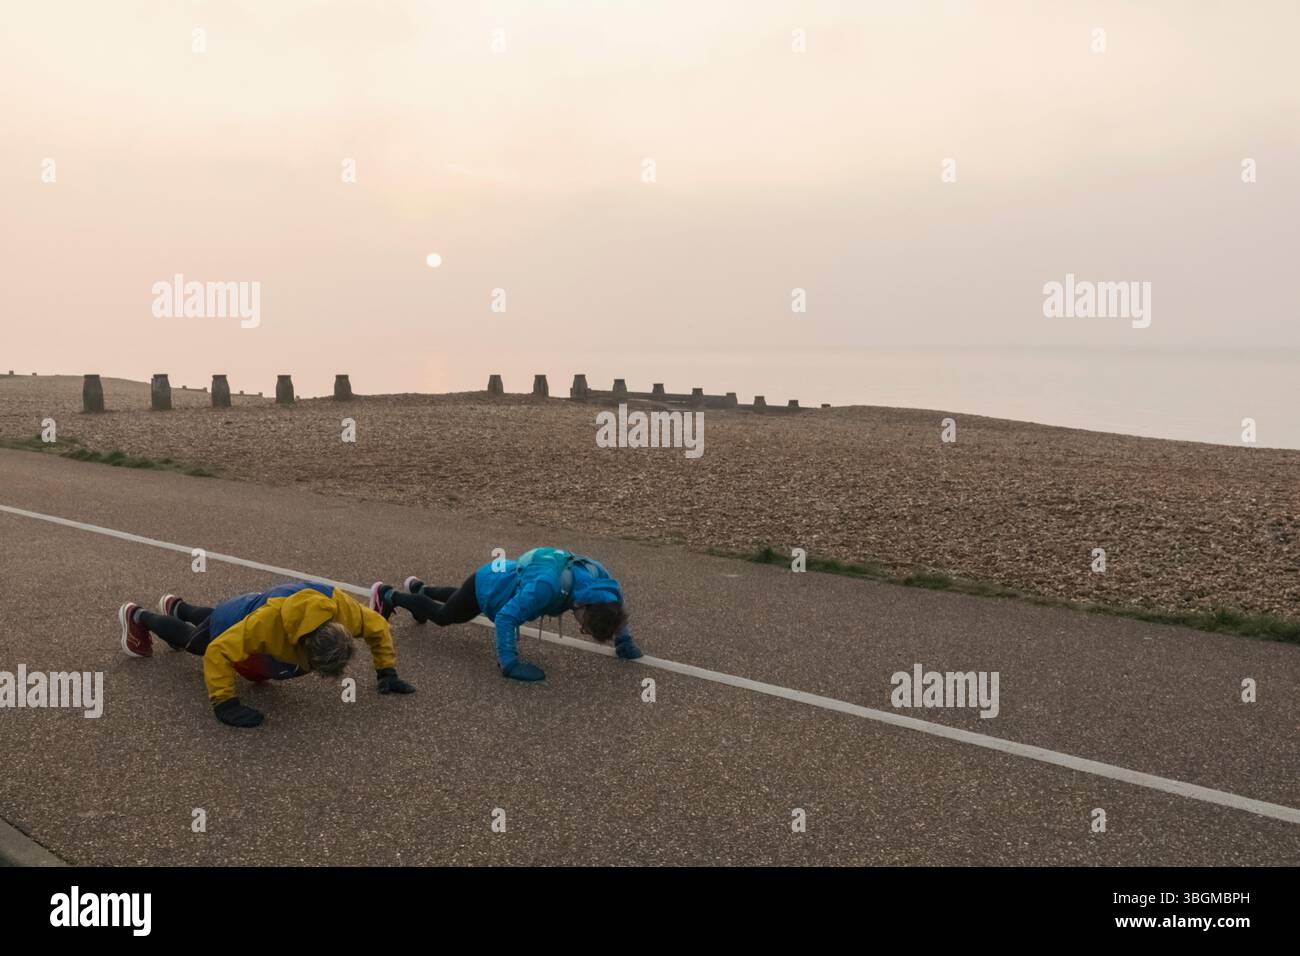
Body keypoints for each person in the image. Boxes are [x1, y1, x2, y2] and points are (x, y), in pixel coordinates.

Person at [118, 581, 415, 727]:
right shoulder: (264, 624)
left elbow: (377, 627)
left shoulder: (345, 612)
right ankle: (138, 616)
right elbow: (219, 653)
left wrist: (386, 672)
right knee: (197, 643)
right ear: (303, 648)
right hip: (240, 614)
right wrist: (225, 702)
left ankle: (178, 607)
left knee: (208, 619)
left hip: (273, 602)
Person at [371, 547, 643, 682]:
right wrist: (510, 664)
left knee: (462, 599)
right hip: (490, 583)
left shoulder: (604, 587)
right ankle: (387, 595)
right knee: (445, 616)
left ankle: (420, 588)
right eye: (584, 627)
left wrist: (623, 640)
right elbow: (505, 617)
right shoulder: (546, 587)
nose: (580, 626)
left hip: (501, 574)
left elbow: (615, 608)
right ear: (583, 607)